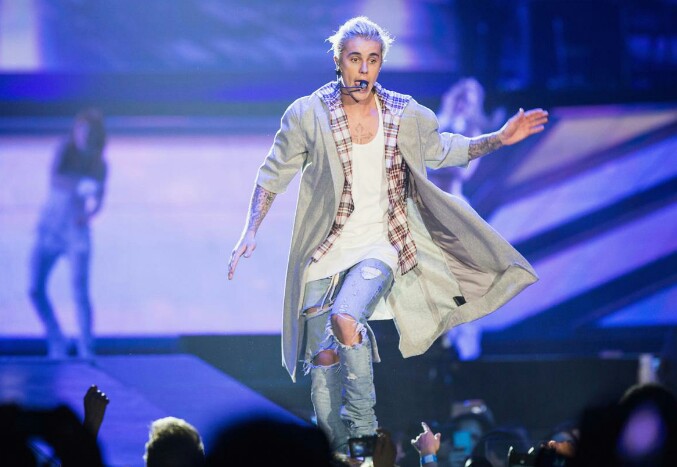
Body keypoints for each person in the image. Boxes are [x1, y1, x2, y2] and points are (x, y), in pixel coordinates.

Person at [227, 16, 547, 456]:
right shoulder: (307, 114)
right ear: (338, 60)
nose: (364, 69)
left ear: (381, 64)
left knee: (346, 318)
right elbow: (272, 173)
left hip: (381, 246)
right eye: (355, 58)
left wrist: (498, 139)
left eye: (373, 60)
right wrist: (251, 229)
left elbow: (445, 150)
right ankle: (333, 449)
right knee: (322, 359)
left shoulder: (404, 113)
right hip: (324, 249)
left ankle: (363, 431)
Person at [28, 108, 108, 358]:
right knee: (35, 288)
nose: (84, 137)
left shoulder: (100, 164)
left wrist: (89, 214)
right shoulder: (64, 151)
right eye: (81, 131)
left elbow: (99, 201)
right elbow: (55, 179)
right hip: (51, 228)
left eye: (89, 133)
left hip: (75, 232)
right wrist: (79, 184)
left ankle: (86, 348)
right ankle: (56, 337)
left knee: (80, 291)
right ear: (75, 132)